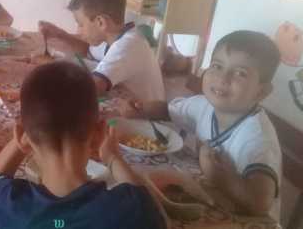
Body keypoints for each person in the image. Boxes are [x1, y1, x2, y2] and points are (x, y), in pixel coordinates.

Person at [0, 62, 165, 229]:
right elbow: (140, 196)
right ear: (99, 134)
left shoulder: (7, 205)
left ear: (21, 136)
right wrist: (113, 159)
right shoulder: (131, 211)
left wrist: (20, 141)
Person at [121, 30, 282, 219]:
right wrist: (142, 109)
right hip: (210, 204)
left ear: (261, 92)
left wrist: (218, 176)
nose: (223, 78)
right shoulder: (203, 105)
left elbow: (259, 203)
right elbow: (167, 110)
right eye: (217, 66)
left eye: (240, 73)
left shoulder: (257, 139)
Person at [39, 0, 164, 101]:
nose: (78, 31)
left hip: (149, 119)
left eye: (80, 24)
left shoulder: (128, 46)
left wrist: (48, 67)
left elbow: (92, 88)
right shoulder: (115, 36)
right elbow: (87, 50)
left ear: (101, 22)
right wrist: (60, 34)